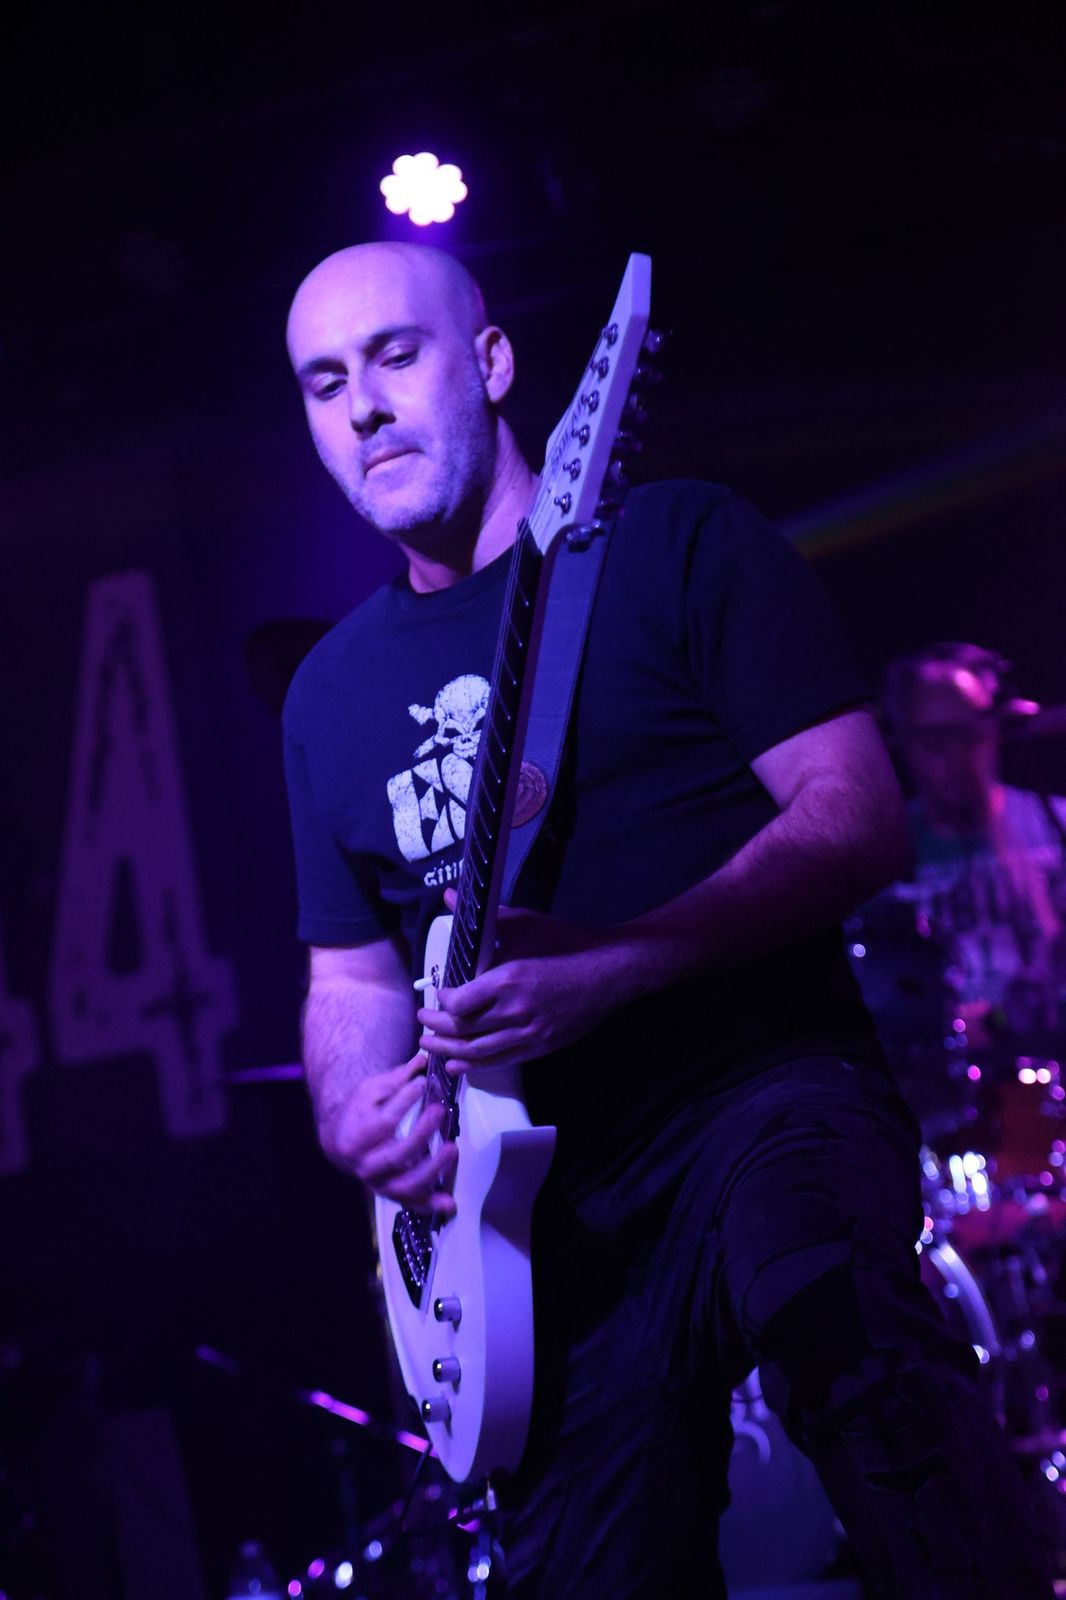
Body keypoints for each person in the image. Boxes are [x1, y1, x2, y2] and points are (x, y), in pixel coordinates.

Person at [281, 242, 1053, 1598]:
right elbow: (349, 980)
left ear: (492, 363)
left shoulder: (678, 543)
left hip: (759, 1090)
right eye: (325, 381)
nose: (365, 407)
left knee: (870, 1380)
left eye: (396, 355)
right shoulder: (327, 695)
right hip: (538, 1216)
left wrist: (625, 963)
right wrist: (352, 1113)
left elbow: (855, 814)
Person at [883, 642, 1066, 1050]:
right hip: (941, 1074)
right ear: (905, 744)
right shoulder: (880, 853)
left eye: (968, 734)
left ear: (996, 730)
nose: (957, 757)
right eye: (935, 741)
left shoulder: (1056, 825)